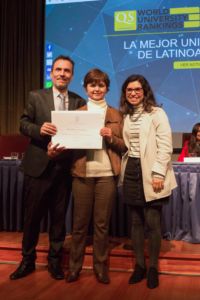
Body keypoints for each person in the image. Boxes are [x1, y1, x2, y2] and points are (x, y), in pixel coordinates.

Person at [9, 55, 86, 280]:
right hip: (39, 167)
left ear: (72, 75)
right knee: (32, 218)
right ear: (52, 73)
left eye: (67, 71)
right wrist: (39, 130)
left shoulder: (78, 101)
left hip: (64, 169)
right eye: (59, 70)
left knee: (59, 219)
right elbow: (23, 124)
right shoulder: (36, 96)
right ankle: (27, 261)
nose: (62, 74)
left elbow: (79, 134)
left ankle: (54, 262)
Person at [48, 69, 126, 284]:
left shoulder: (116, 115)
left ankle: (100, 268)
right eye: (92, 85)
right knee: (79, 225)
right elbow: (65, 142)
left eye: (101, 85)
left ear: (107, 88)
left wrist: (111, 137)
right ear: (86, 88)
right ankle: (75, 267)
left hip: (107, 175)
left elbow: (124, 146)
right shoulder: (77, 112)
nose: (97, 89)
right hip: (82, 174)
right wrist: (55, 145)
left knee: (102, 225)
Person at [119, 74, 177, 289]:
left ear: (145, 92)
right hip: (132, 171)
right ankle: (140, 266)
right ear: (125, 94)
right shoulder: (126, 115)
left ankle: (153, 268)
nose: (133, 93)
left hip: (152, 171)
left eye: (137, 89)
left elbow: (165, 146)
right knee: (135, 222)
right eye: (129, 90)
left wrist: (158, 173)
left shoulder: (157, 113)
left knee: (152, 223)